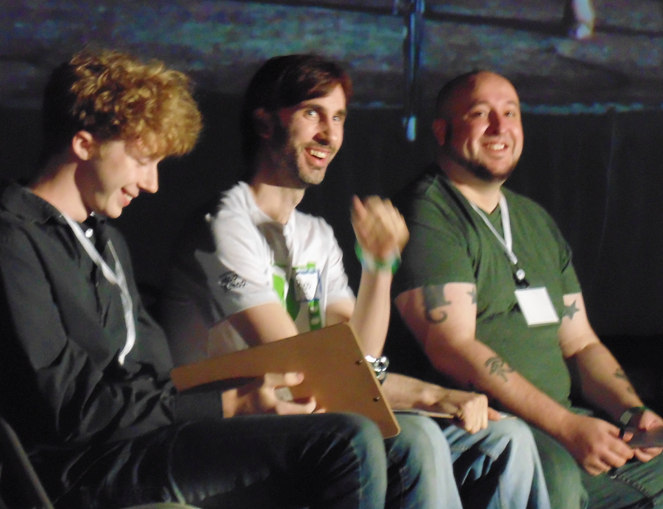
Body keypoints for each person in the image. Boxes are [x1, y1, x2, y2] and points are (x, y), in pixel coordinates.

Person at [0, 48, 400, 509]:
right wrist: (228, 405)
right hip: (86, 468)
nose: (152, 184)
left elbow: (157, 375)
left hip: (151, 442)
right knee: (346, 441)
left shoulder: (104, 240)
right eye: (144, 160)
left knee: (391, 442)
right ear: (84, 145)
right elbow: (69, 411)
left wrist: (240, 399)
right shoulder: (12, 243)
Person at [161, 54, 550, 509]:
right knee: (417, 436)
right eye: (312, 114)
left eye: (339, 117)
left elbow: (359, 364)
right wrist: (430, 395)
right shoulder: (226, 225)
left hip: (315, 422)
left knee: (505, 438)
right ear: (265, 124)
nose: (329, 134)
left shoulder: (315, 234)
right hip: (231, 440)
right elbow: (310, 373)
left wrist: (379, 267)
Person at [393, 69, 663, 508]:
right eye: (481, 114)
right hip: (490, 431)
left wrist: (631, 413)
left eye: (510, 113)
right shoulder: (428, 211)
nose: (500, 128)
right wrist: (567, 428)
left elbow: (580, 342)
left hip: (564, 423)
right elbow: (451, 346)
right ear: (442, 131)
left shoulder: (533, 219)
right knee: (552, 476)